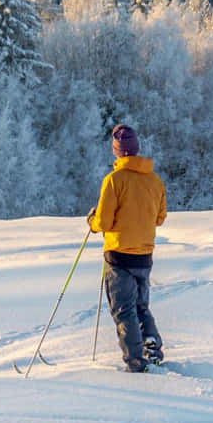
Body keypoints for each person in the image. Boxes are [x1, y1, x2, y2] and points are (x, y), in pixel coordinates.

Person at [87, 124, 168, 372]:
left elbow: (104, 221)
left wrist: (92, 220)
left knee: (124, 311)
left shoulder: (114, 181)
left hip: (118, 256)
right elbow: (160, 217)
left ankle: (135, 362)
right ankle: (152, 348)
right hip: (144, 255)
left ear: (116, 151)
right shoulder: (154, 181)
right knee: (141, 307)